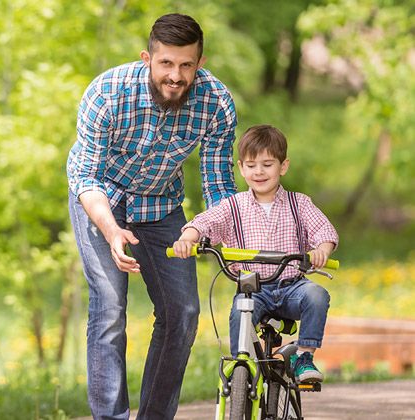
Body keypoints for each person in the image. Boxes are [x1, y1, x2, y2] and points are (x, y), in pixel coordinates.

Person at [67, 13, 237, 420]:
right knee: (110, 307)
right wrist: (111, 231)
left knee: (183, 314)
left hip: (162, 204)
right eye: (166, 63)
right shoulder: (107, 93)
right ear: (148, 58)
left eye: (186, 65)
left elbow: (217, 183)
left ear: (199, 62)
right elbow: (87, 176)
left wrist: (220, 234)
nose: (175, 75)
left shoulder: (216, 103)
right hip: (102, 199)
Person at [172, 124, 339, 383]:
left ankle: (303, 356)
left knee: (317, 295)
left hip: (292, 287)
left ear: (283, 167)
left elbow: (324, 232)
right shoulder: (233, 206)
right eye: (251, 165)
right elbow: (205, 222)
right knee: (241, 310)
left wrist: (321, 250)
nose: (259, 172)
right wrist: (187, 238)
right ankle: (242, 366)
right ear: (241, 168)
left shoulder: (299, 203)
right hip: (253, 290)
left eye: (267, 164)